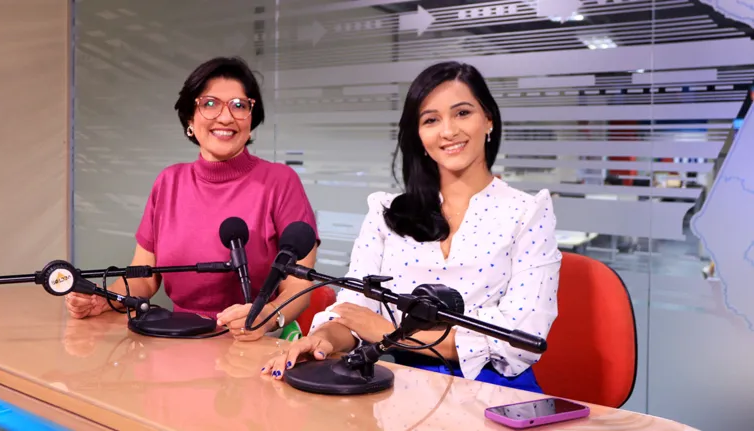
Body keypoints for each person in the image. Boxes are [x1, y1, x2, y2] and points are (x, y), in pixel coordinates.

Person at [261, 61, 562, 392]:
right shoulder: (386, 211)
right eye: (431, 120)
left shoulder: (529, 212)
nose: (448, 131)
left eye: (462, 113)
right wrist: (321, 341)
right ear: (418, 135)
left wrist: (387, 334)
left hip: (496, 392)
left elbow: (522, 340)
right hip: (404, 389)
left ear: (488, 119)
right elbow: (356, 312)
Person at [65, 56, 319, 341]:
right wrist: (105, 298)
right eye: (210, 104)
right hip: (175, 338)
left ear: (251, 118)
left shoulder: (280, 182)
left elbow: (299, 288)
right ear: (190, 118)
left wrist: (266, 315)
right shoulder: (169, 182)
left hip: (254, 342)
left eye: (239, 105)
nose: (225, 117)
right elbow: (143, 278)